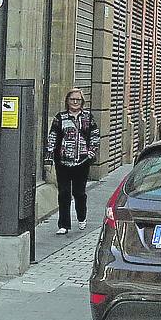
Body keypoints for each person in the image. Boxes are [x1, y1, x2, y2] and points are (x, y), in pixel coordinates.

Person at [45, 88, 100, 234]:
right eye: (72, 99)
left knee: (79, 193)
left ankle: (82, 217)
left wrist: (90, 153)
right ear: (67, 101)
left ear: (82, 102)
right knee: (64, 193)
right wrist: (49, 157)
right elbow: (52, 137)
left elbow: (95, 136)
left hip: (82, 162)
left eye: (78, 100)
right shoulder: (60, 117)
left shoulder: (88, 117)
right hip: (62, 162)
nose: (75, 102)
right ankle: (64, 224)